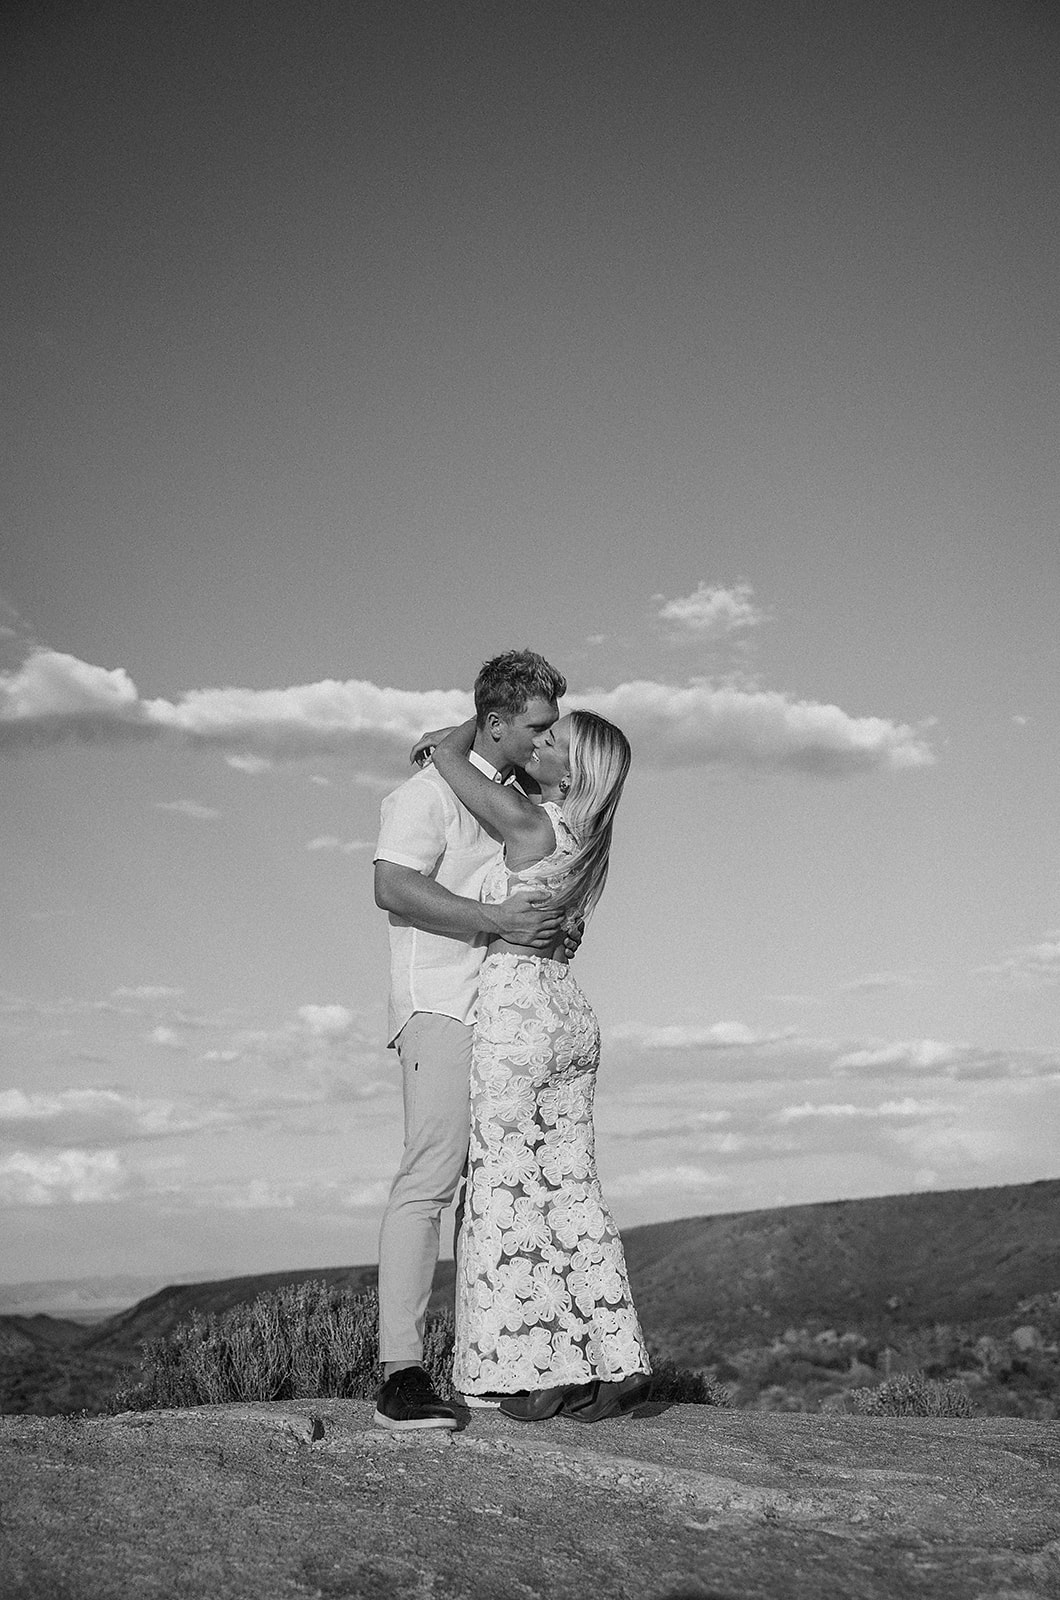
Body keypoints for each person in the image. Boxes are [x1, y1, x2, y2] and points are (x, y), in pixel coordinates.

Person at [430, 706, 652, 1424]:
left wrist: (469, 725)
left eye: (550, 739)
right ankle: (613, 1361)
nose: (536, 742)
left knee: (504, 1187)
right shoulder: (592, 841)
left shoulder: (534, 825)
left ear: (574, 770)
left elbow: (451, 764)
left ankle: (535, 1373)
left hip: (520, 1010)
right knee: (572, 1190)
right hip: (573, 1018)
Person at [372, 649, 571, 1431]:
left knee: (495, 1187)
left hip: (502, 1015)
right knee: (431, 1177)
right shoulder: (423, 795)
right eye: (536, 726)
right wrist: (494, 921)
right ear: (494, 722)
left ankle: (489, 1362)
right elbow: (391, 887)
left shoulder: (504, 794)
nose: (547, 739)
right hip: (441, 1007)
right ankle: (400, 1374)